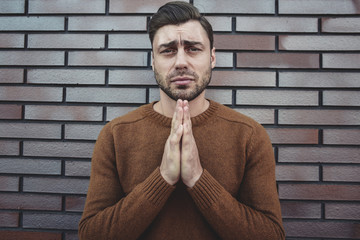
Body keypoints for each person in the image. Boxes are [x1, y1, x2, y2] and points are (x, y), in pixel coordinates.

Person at [78, 2, 285, 239]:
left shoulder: (249, 135)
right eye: (167, 50)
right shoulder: (115, 135)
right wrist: (163, 178)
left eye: (193, 48)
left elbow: (272, 235)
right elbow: (90, 235)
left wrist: (198, 178)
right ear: (153, 61)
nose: (181, 62)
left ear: (212, 57)